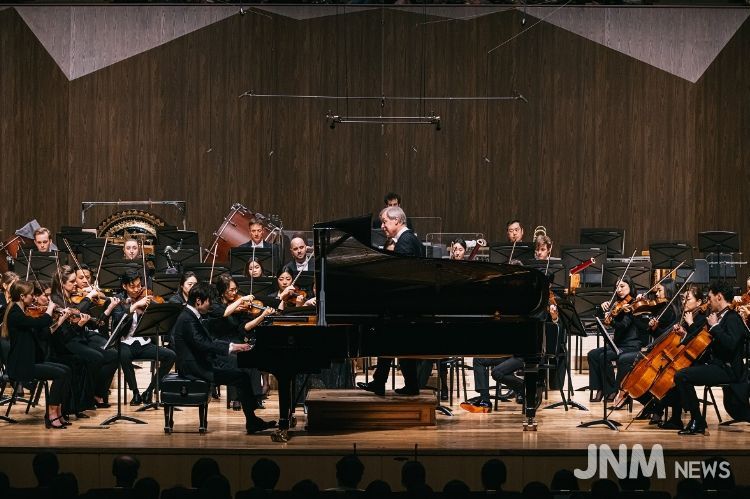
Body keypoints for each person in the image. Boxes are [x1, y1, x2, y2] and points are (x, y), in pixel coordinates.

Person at [171, 282, 276, 434]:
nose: (211, 305)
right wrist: (232, 348)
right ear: (198, 301)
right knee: (241, 377)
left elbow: (208, 341)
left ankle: (252, 418)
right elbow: (203, 344)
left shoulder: (191, 315)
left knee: (242, 370)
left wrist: (234, 346)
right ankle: (252, 420)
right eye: (209, 301)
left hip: (201, 361)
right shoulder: (187, 318)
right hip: (195, 367)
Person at [357, 206, 424, 396]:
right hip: (405, 305)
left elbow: (401, 276)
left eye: (385, 222)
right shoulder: (408, 239)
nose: (382, 226)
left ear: (397, 221)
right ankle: (405, 384)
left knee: (391, 341)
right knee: (397, 343)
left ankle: (389, 383)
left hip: (403, 305)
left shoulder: (406, 241)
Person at [674, 281, 746, 435]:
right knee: (679, 371)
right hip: (717, 365)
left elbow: (731, 344)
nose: (708, 301)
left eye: (710, 297)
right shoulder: (718, 317)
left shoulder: (732, 318)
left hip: (728, 369)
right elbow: (703, 342)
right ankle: (678, 417)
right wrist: (685, 334)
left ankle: (697, 421)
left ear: (719, 297)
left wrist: (715, 327)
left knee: (682, 376)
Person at [2, 281, 72, 428]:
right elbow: (41, 322)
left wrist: (60, 320)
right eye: (31, 295)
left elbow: (43, 334)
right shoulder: (15, 314)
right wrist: (50, 309)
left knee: (66, 370)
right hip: (21, 365)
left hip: (30, 361)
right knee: (60, 374)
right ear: (22, 296)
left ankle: (58, 411)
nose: (34, 297)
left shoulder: (24, 312)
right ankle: (51, 413)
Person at [50, 265, 119, 411]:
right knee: (96, 358)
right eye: (72, 281)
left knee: (112, 355)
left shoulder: (69, 297)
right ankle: (86, 398)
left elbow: (92, 321)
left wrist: (107, 308)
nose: (76, 284)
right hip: (65, 342)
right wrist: (87, 298)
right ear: (62, 283)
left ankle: (94, 394)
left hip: (77, 337)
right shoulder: (56, 300)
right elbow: (68, 323)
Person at [207, 273, 273, 409]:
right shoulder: (214, 304)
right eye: (231, 290)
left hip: (237, 341)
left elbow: (244, 327)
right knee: (236, 361)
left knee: (252, 357)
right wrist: (241, 299)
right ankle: (236, 398)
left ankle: (255, 396)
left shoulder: (239, 307)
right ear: (222, 291)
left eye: (236, 289)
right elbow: (224, 313)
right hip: (220, 344)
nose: (234, 293)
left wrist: (262, 316)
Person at [111, 270, 176, 405]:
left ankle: (150, 390)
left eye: (139, 285)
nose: (136, 290)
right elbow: (117, 319)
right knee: (123, 355)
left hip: (144, 343)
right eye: (132, 286)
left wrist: (152, 307)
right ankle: (135, 392)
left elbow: (159, 314)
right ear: (124, 286)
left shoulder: (145, 296)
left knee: (170, 355)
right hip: (125, 342)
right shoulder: (118, 300)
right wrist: (134, 306)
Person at [587, 276, 641, 403]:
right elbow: (603, 321)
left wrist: (611, 322)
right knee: (592, 355)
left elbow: (623, 325)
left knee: (604, 357)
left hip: (630, 345)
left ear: (630, 287)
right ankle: (600, 388)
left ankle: (612, 390)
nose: (619, 289)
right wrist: (602, 310)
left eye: (622, 286)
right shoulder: (617, 304)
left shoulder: (633, 305)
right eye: (617, 287)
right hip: (617, 345)